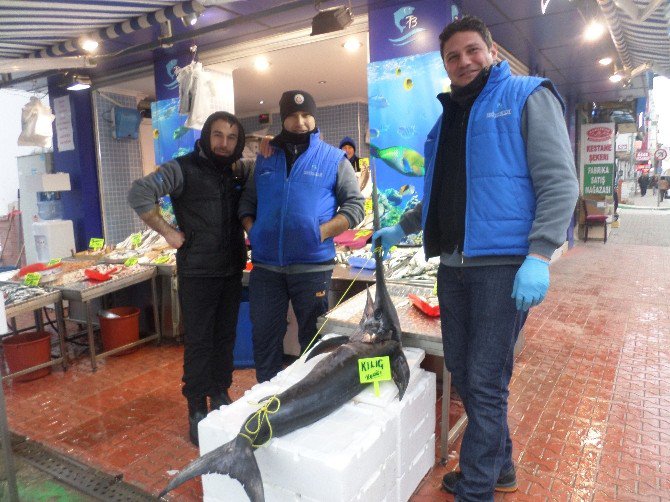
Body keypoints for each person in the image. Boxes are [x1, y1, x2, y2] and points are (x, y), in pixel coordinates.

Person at [372, 16, 578, 501]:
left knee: (485, 381)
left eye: (471, 51)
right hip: (454, 267)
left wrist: (540, 254)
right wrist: (402, 225)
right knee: (465, 374)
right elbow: (443, 192)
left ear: (492, 51)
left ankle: (477, 488)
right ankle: (501, 467)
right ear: (445, 66)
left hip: (501, 268)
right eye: (452, 56)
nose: (463, 61)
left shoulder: (528, 95)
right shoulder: (449, 119)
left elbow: (560, 182)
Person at [128, 111, 250, 446]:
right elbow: (139, 193)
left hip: (230, 269)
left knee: (225, 337)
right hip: (197, 271)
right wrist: (168, 232)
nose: (224, 143)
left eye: (231, 137)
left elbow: (266, 169)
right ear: (207, 136)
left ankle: (220, 395)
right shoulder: (181, 169)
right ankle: (196, 405)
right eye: (218, 135)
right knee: (199, 342)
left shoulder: (237, 170)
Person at [239, 90, 365, 382]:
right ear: (283, 119)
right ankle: (266, 399)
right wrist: (253, 229)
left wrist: (320, 232)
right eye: (293, 116)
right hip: (266, 267)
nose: (300, 122)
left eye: (306, 114)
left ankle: (312, 396)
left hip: (312, 266)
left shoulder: (334, 159)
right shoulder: (265, 159)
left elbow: (355, 207)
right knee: (265, 336)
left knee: (314, 338)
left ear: (314, 116)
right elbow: (247, 203)